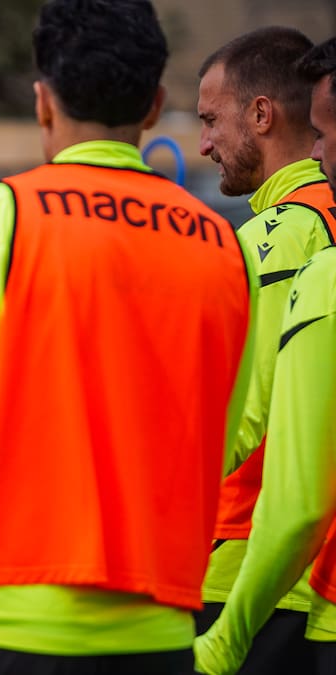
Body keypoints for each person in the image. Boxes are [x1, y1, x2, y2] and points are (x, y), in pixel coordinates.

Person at [0, 1, 257, 674]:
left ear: (43, 103)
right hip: (157, 634)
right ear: (154, 105)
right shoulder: (224, 247)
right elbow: (228, 436)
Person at [194, 26, 336, 674]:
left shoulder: (282, 233)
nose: (203, 143)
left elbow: (242, 416)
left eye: (210, 120)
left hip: (252, 563)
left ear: (261, 113)